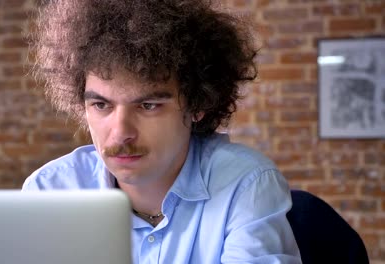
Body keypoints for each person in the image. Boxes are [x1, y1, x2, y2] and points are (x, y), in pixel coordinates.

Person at [23, 0, 302, 263]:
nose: (120, 133)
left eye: (148, 105)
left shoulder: (245, 185)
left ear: (197, 104)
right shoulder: (50, 192)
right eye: (101, 105)